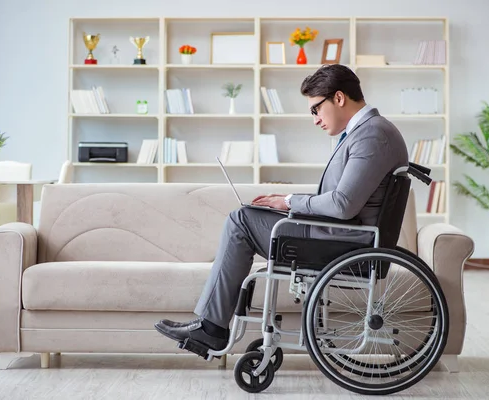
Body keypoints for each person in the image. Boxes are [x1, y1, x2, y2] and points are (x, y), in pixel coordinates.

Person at [154, 64, 409, 352]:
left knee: (241, 221)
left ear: (339, 98)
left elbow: (341, 205)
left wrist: (288, 201)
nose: (315, 119)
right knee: (250, 217)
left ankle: (211, 328)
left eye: (316, 109)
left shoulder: (372, 135)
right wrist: (288, 204)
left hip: (346, 244)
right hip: (342, 236)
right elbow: (342, 200)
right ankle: (212, 325)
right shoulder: (367, 132)